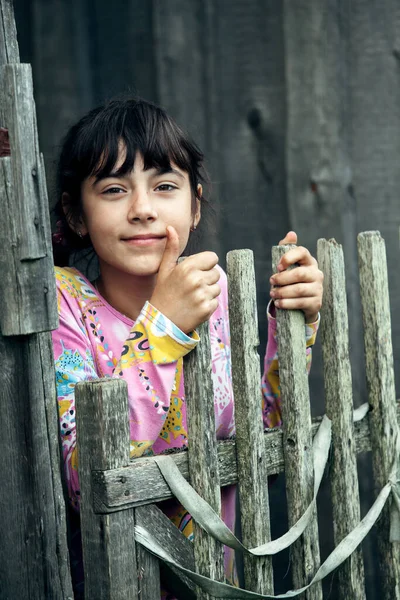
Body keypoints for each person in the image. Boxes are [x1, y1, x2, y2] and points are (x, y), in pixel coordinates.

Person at [50, 96, 323, 599]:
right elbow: (83, 476)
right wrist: (162, 329)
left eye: (165, 186)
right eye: (113, 189)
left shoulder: (211, 298)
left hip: (217, 584)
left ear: (194, 205)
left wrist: (295, 326)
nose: (142, 209)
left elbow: (259, 439)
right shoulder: (65, 304)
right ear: (77, 213)